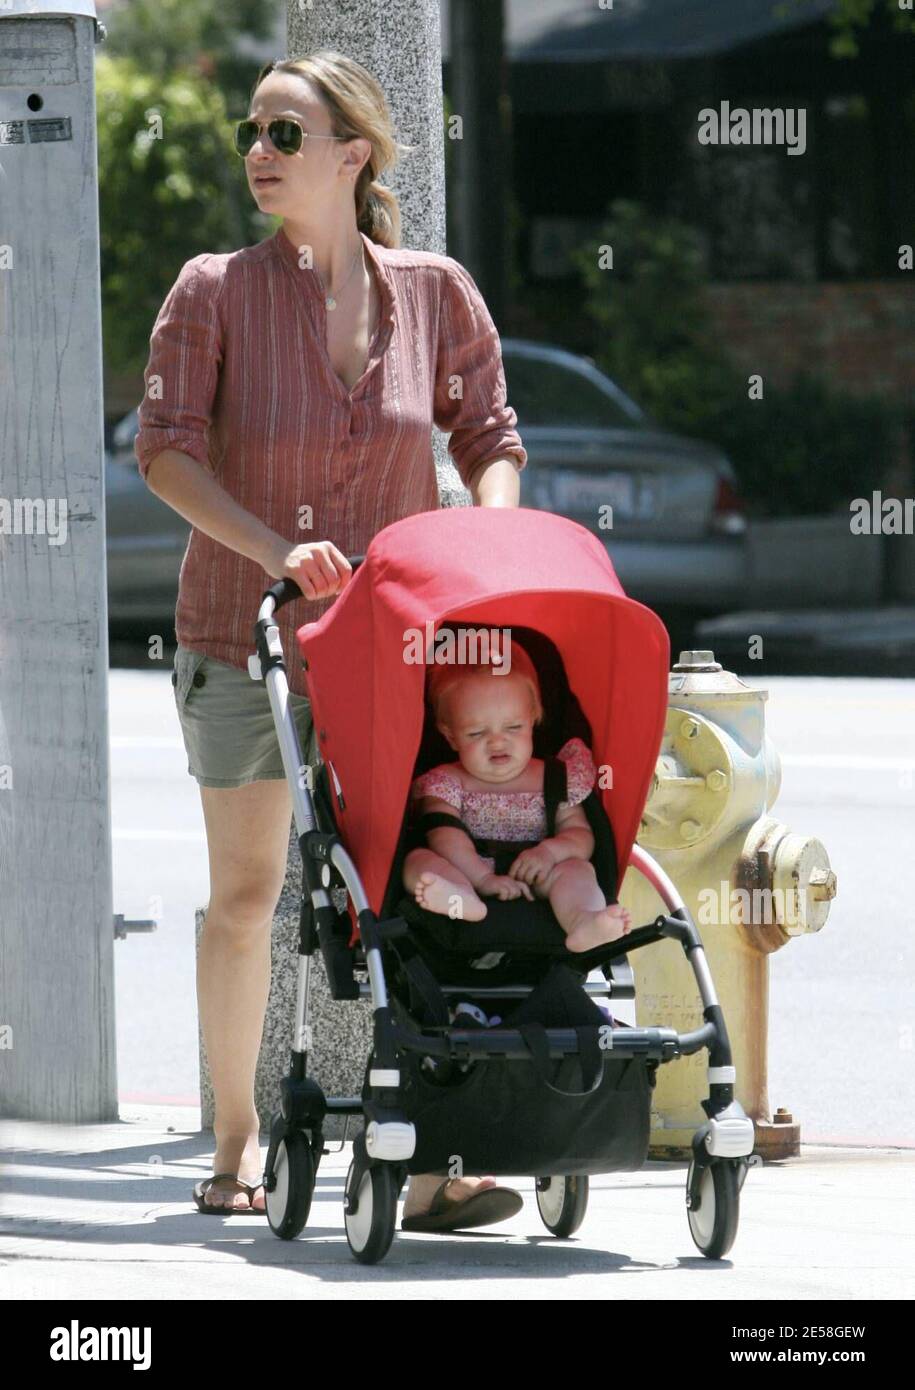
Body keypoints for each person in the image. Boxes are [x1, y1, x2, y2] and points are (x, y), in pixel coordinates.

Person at [133, 50, 528, 1228]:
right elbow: (164, 453)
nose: (261, 152)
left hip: (390, 651)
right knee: (250, 893)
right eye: (252, 133)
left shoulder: (439, 291)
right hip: (240, 633)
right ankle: (238, 1146)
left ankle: (428, 1150)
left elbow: (490, 435)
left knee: (408, 890)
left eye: (286, 134)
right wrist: (271, 550)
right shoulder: (212, 289)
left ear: (352, 155)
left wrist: (489, 547)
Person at [404, 642, 632, 951]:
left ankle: (583, 920)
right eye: (476, 733)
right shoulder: (446, 781)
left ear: (534, 718)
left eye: (513, 727)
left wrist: (550, 853)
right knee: (418, 861)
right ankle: (460, 899)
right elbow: (444, 837)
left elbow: (580, 834)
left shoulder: (556, 777)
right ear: (450, 735)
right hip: (466, 870)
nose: (497, 742)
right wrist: (481, 879)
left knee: (578, 869)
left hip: (541, 874)